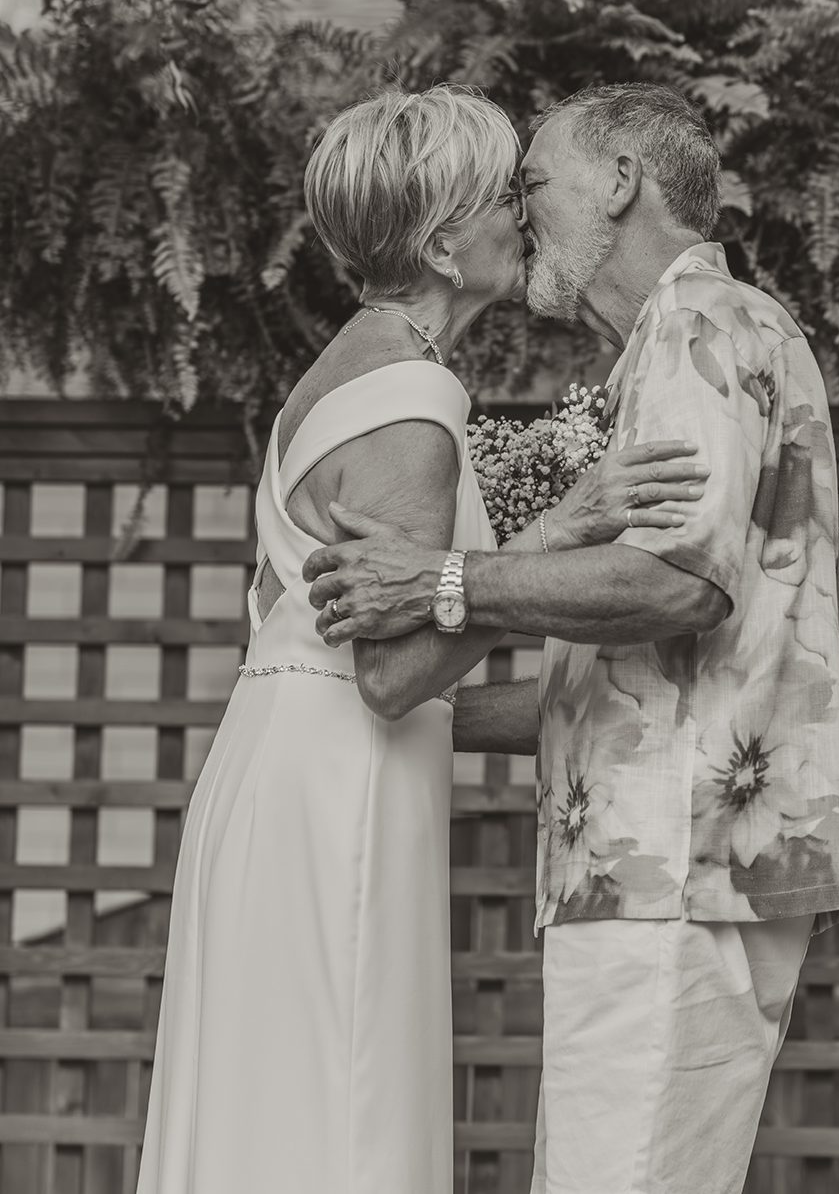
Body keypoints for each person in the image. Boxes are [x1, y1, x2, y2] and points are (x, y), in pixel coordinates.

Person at [136, 85, 705, 1194]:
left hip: (289, 763)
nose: (522, 213)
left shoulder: (351, 363)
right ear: (446, 243)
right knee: (339, 1114)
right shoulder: (410, 395)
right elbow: (394, 674)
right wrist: (562, 528)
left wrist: (582, 700)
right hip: (338, 794)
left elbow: (378, 640)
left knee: (283, 1106)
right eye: (504, 194)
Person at [304, 82, 839, 1194]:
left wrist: (443, 581)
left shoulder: (701, 322)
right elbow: (638, 677)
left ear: (620, 182)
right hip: (666, 860)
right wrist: (411, 706)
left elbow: (675, 591)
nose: (519, 211)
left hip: (672, 868)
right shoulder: (691, 337)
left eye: (536, 183)